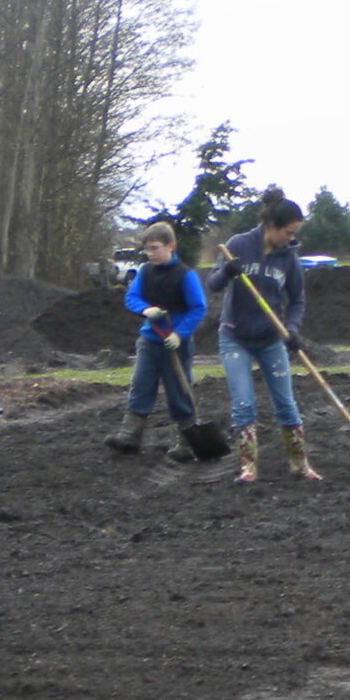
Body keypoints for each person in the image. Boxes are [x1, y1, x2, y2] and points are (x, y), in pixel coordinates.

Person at [207, 190, 319, 482]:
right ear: (271, 225)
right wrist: (228, 272)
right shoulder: (238, 245)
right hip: (235, 336)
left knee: (286, 402)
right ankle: (248, 467)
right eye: (288, 232)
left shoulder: (289, 258)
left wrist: (292, 329)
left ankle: (300, 464)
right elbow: (213, 284)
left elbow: (297, 300)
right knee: (244, 402)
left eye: (295, 234)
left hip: (272, 339)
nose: (291, 239)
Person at [108, 221, 207, 453]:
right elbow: (131, 297)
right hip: (150, 340)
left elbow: (198, 308)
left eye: (155, 248)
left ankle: (186, 442)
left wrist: (179, 334)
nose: (150, 254)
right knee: (141, 385)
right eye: (147, 249)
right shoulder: (145, 272)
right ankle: (129, 436)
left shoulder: (186, 276)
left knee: (178, 390)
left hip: (175, 344)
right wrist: (145, 310)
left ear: (170, 246)